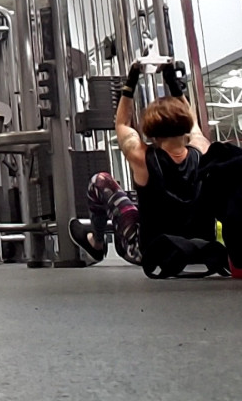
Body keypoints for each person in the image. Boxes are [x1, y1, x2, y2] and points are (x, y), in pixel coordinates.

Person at [70, 63, 222, 276]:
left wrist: (131, 80)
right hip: (199, 251)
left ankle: (96, 242)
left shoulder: (142, 157)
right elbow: (193, 121)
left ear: (151, 131)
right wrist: (172, 83)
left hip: (152, 254)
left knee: (100, 181)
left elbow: (122, 123)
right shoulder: (203, 149)